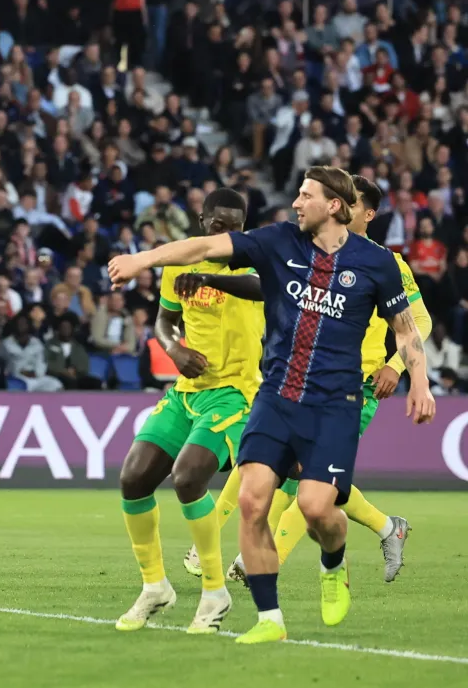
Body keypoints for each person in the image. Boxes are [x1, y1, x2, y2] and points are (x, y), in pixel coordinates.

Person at [107, 166, 435, 645]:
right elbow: (200, 249)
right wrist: (141, 260)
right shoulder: (281, 241)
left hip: (334, 401)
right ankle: (268, 619)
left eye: (306, 196)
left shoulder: (379, 263)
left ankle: (333, 563)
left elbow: (407, 328)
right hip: (276, 394)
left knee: (316, 505)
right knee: (251, 498)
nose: (295, 203)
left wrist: (417, 381)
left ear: (335, 206)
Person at [182, 176, 430, 584]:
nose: (342, 209)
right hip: (297, 380)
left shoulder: (387, 263)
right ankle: (387, 528)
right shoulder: (312, 252)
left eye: (352, 204)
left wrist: (397, 367)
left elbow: (418, 321)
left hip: (358, 385)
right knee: (270, 463)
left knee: (305, 476)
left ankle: (260, 560)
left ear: (366, 213)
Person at [114, 189, 263, 635]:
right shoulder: (179, 260)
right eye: (219, 225)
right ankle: (155, 586)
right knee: (134, 478)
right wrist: (173, 347)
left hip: (235, 392)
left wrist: (210, 280)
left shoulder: (252, 258)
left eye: (235, 226)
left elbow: (263, 287)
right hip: (187, 390)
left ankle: (215, 592)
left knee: (188, 477)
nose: (227, 233)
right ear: (201, 220)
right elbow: (165, 318)